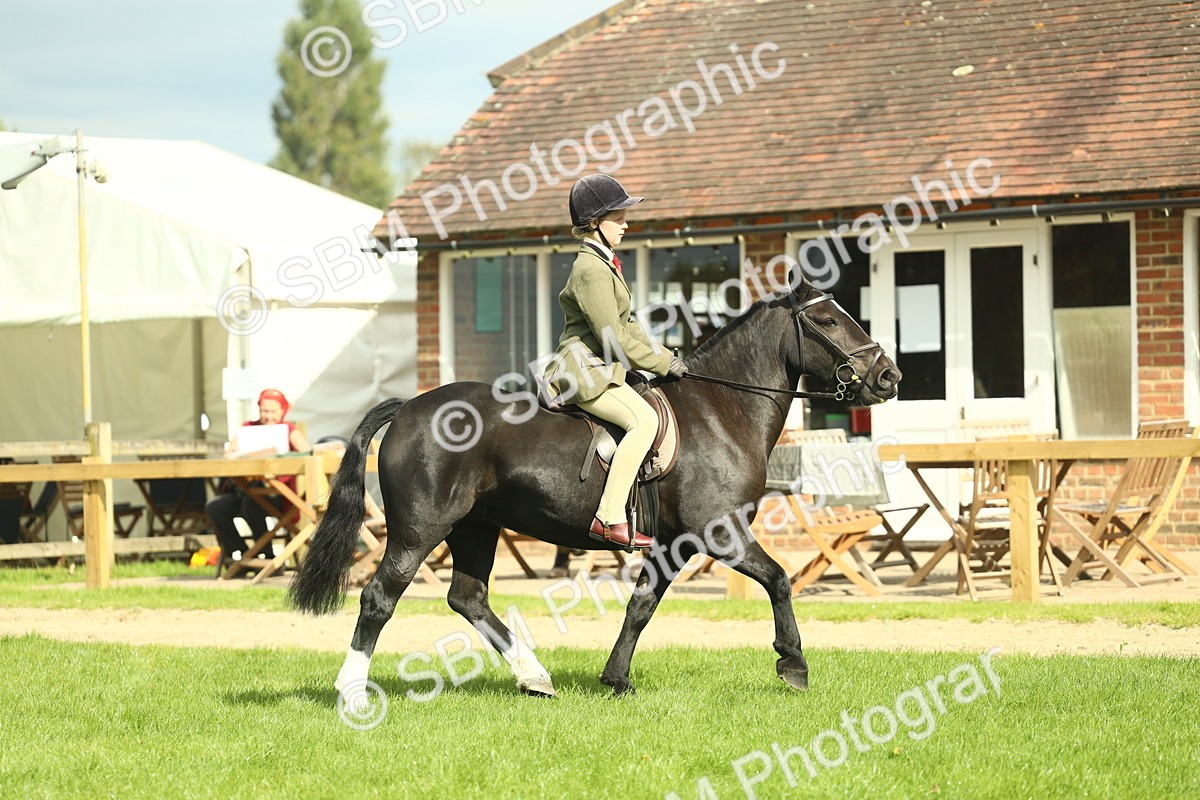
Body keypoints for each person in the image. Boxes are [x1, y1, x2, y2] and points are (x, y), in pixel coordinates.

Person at [542, 174, 687, 550]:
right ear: (594, 223)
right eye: (617, 217)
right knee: (644, 421)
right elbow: (613, 337)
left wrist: (665, 357)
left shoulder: (604, 264)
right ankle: (608, 517)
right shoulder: (589, 269)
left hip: (602, 368)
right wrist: (659, 364)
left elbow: (629, 325)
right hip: (583, 371)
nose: (626, 223)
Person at [206, 388, 310, 564]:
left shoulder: (289, 430)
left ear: (282, 411)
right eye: (264, 411)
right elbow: (228, 455)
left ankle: (266, 554)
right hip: (243, 491)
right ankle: (239, 554)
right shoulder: (248, 428)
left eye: (272, 412)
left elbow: (309, 454)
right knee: (215, 507)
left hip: (276, 494)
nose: (268, 416)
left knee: (252, 503)